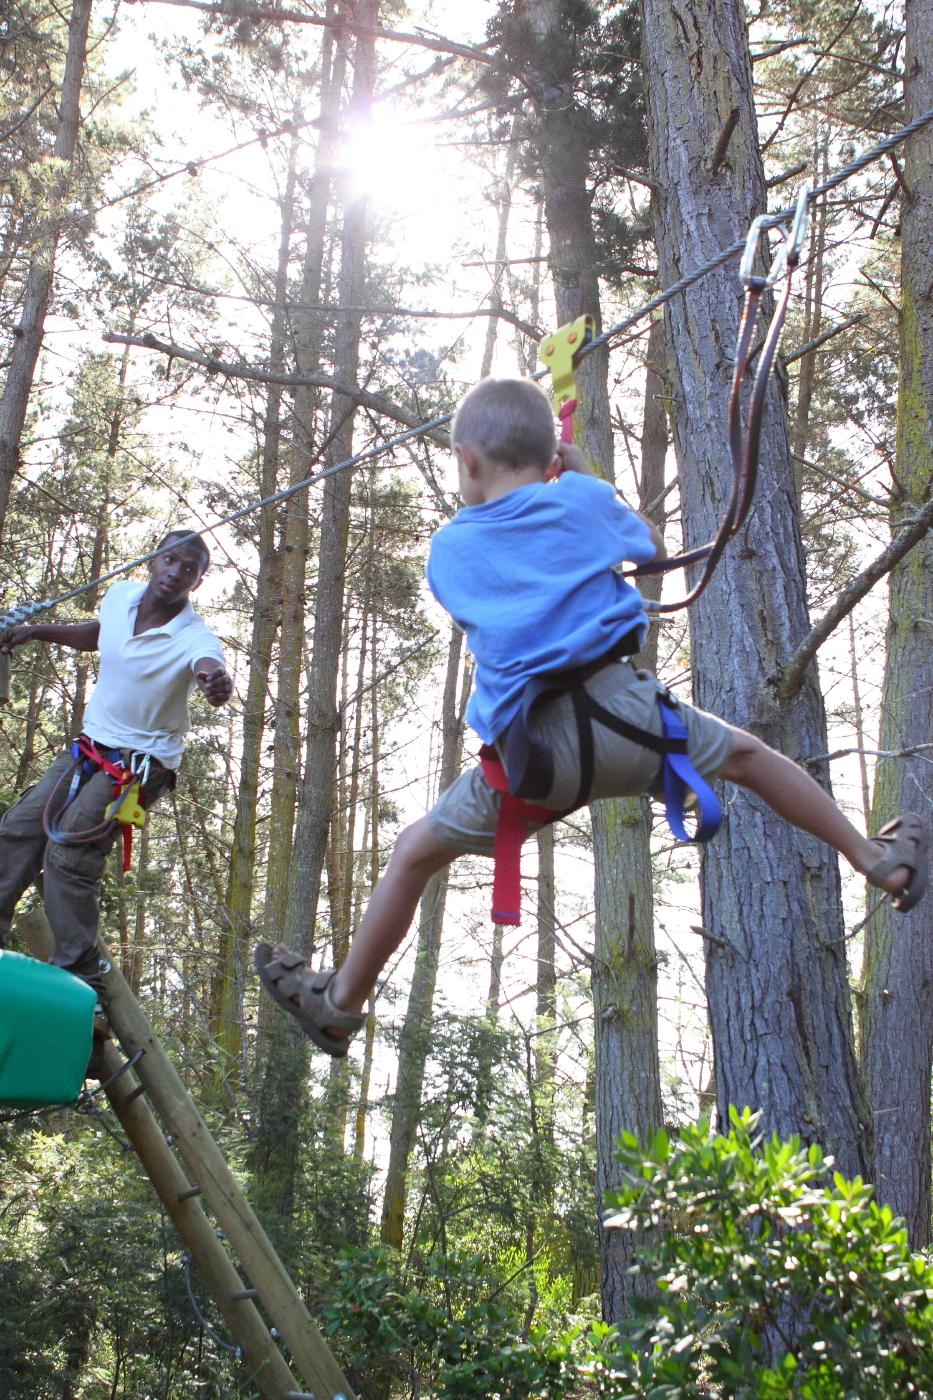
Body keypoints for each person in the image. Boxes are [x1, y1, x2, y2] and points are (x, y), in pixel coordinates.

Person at [255, 377, 929, 1057]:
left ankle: (339, 1005)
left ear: (466, 459)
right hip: (635, 727)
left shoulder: (449, 550)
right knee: (749, 757)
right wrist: (584, 480)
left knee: (412, 854)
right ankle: (874, 861)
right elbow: (650, 547)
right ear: (549, 454)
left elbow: (501, 592)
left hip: (533, 764)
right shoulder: (580, 500)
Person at [0, 529, 232, 991]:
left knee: (69, 851)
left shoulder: (193, 637)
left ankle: (80, 974)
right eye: (171, 561)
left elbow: (207, 665)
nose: (176, 573)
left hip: (143, 763)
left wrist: (215, 682)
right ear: (154, 560)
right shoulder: (121, 597)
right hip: (91, 746)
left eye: (190, 569)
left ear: (197, 583)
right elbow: (102, 636)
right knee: (19, 827)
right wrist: (36, 630)